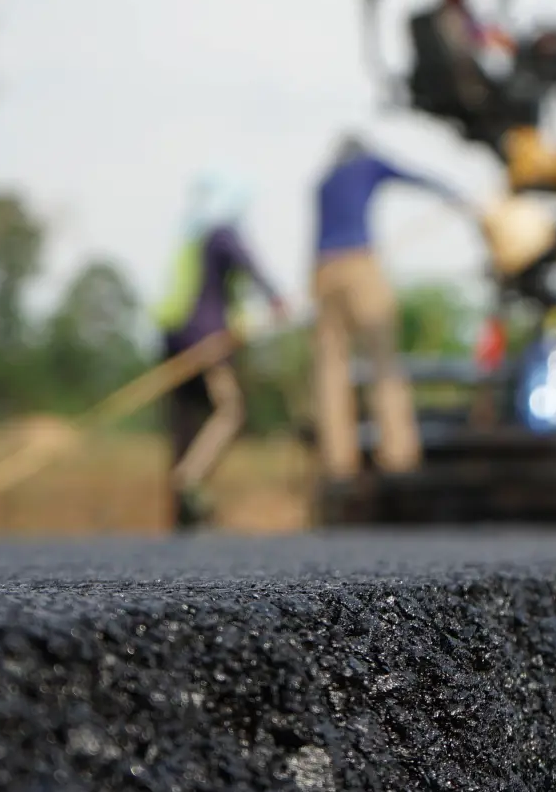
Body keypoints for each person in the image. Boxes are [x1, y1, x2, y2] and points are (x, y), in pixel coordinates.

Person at [311, 133, 478, 485]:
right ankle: (398, 454)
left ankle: (337, 462)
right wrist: (453, 194)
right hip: (358, 263)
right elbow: (411, 175)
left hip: (323, 270)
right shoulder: (367, 165)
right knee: (384, 362)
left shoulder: (323, 182)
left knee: (331, 370)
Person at [154, 170, 288, 531]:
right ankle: (188, 478)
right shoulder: (222, 233)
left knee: (187, 422)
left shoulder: (192, 236)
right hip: (205, 338)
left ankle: (184, 514)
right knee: (230, 411)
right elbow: (250, 264)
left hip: (174, 337)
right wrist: (276, 298)